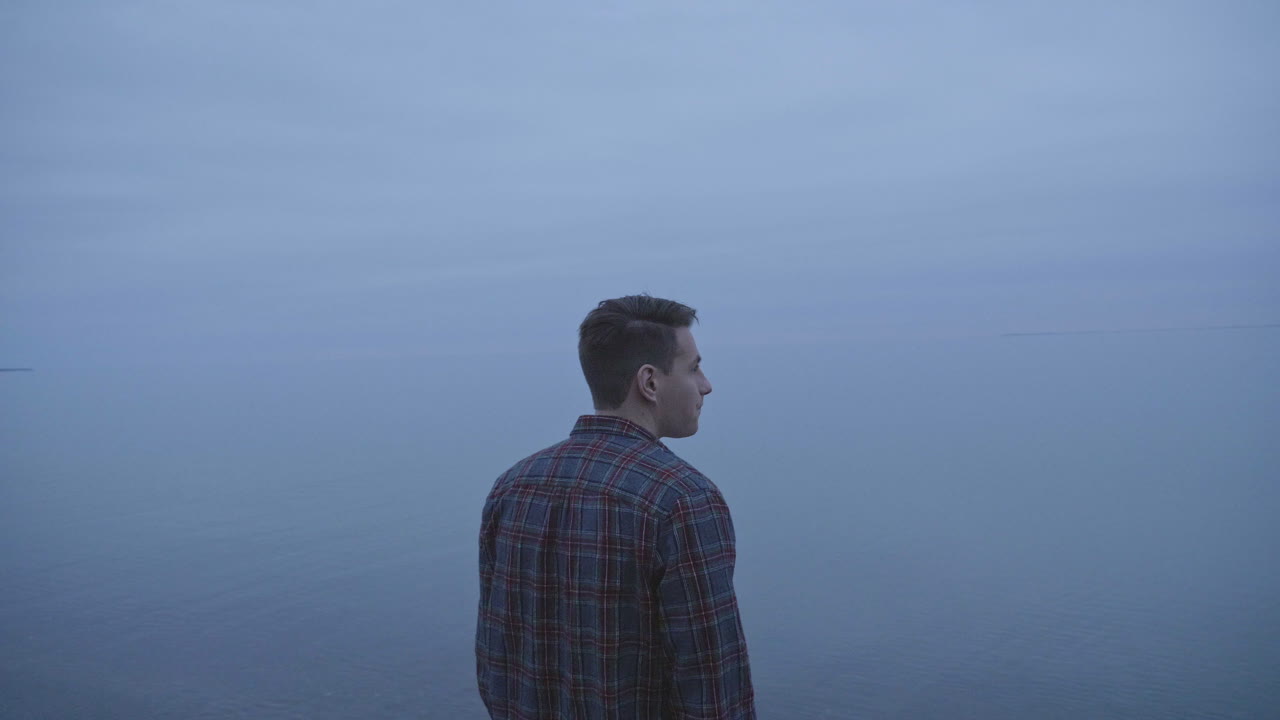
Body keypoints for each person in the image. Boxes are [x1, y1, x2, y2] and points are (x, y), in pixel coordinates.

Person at [476, 295, 755, 719]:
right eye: (694, 367)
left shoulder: (513, 487)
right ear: (650, 382)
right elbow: (715, 691)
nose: (706, 384)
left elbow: (494, 662)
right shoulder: (683, 500)